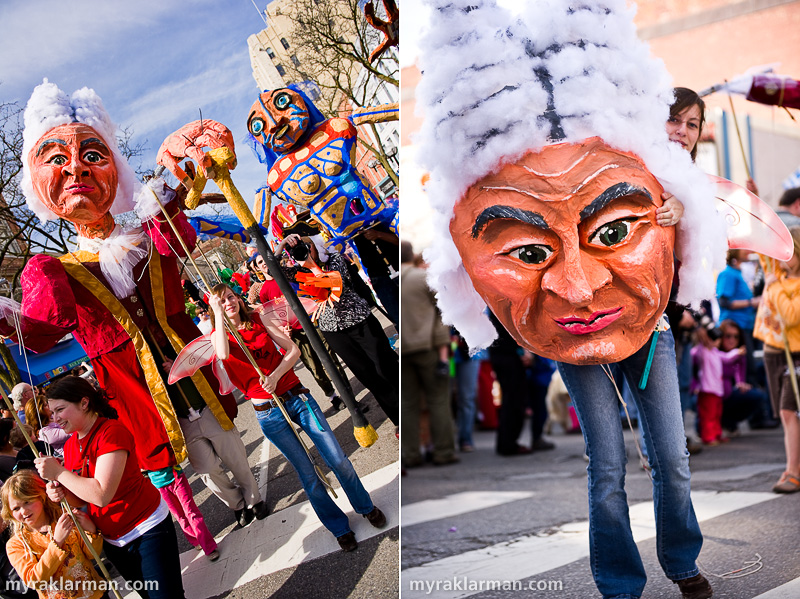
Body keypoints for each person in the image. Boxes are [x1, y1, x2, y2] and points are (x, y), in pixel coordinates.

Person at [417, 0, 730, 595]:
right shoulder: (619, 142)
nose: (684, 133)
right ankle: (618, 582)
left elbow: (693, 247)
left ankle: (683, 562)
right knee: (606, 464)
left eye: (694, 125)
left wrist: (682, 213)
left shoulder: (668, 175)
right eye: (679, 122)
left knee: (672, 456)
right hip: (572, 338)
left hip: (651, 332)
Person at [207, 284, 387, 551]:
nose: (228, 303)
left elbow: (293, 350)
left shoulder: (259, 318)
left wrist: (276, 375)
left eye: (230, 297)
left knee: (337, 458)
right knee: (309, 475)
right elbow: (222, 354)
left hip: (297, 397)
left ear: (239, 299)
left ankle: (365, 506)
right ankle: (338, 527)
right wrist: (217, 313)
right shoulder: (217, 336)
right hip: (268, 412)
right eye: (221, 301)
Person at [34, 376, 186, 598]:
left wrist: (59, 473)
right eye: (52, 413)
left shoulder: (111, 432)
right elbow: (83, 499)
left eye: (60, 410)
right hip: (113, 540)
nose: (55, 418)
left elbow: (101, 494)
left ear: (84, 403)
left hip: (147, 528)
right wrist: (61, 492)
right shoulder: (69, 446)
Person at [281, 235, 399, 425]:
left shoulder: (333, 260)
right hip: (334, 331)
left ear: (316, 246)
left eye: (307, 246)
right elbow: (273, 269)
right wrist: (282, 245)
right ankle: (399, 419)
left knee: (386, 367)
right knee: (368, 376)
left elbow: (335, 283)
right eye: (301, 248)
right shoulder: (300, 270)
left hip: (360, 322)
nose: (305, 250)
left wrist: (311, 265)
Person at [2, 470, 107, 599]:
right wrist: (57, 542)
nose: (23, 511)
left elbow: (92, 554)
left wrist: (91, 531)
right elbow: (34, 581)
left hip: (95, 594)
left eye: (27, 502)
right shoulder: (16, 544)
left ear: (41, 496)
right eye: (16, 509)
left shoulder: (64, 517)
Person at [400, 241, 457, 467]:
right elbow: (441, 316)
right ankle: (444, 451)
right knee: (439, 401)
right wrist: (445, 354)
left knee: (409, 404)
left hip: (403, 349)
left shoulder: (392, 281)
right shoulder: (423, 278)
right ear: (411, 255)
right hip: (429, 347)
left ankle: (411, 454)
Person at [754, 226, 800, 493]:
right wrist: (753, 198)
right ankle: (793, 468)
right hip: (773, 350)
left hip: (793, 354)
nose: (783, 254)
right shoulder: (778, 271)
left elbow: (792, 316)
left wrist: (775, 287)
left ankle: (793, 471)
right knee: (785, 413)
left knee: (787, 412)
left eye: (790, 249)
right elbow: (762, 239)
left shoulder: (781, 280)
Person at [690, 332, 745, 445]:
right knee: (708, 415)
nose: (716, 341)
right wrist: (702, 336)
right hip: (707, 390)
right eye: (713, 338)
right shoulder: (703, 352)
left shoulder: (716, 352)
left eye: (717, 339)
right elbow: (695, 351)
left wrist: (737, 352)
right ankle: (708, 436)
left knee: (717, 414)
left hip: (717, 390)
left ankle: (716, 434)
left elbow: (727, 357)